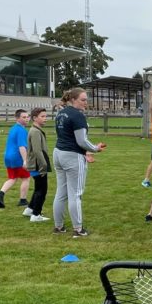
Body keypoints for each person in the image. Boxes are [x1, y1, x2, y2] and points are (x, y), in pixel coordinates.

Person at [52, 88, 106, 237]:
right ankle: (78, 229)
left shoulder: (61, 113)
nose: (86, 102)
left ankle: (58, 227)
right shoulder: (78, 115)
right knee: (75, 194)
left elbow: (65, 136)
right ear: (73, 100)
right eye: (83, 100)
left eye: (86, 99)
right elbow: (81, 141)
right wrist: (95, 149)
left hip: (58, 153)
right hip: (72, 156)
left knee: (61, 192)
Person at [0, 110, 31, 209]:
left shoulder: (13, 128)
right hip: (17, 157)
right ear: (17, 118)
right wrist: (25, 160)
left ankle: (0, 194)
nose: (27, 119)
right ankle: (23, 200)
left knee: (13, 178)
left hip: (8, 156)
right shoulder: (21, 130)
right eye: (24, 117)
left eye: (27, 117)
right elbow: (22, 147)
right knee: (26, 178)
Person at [23, 107, 51, 222]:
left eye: (45, 116)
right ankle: (36, 215)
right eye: (42, 116)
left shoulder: (36, 130)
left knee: (38, 188)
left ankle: (29, 209)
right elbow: (37, 151)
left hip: (36, 164)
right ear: (34, 118)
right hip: (38, 165)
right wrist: (43, 166)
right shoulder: (35, 131)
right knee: (42, 190)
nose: (45, 118)